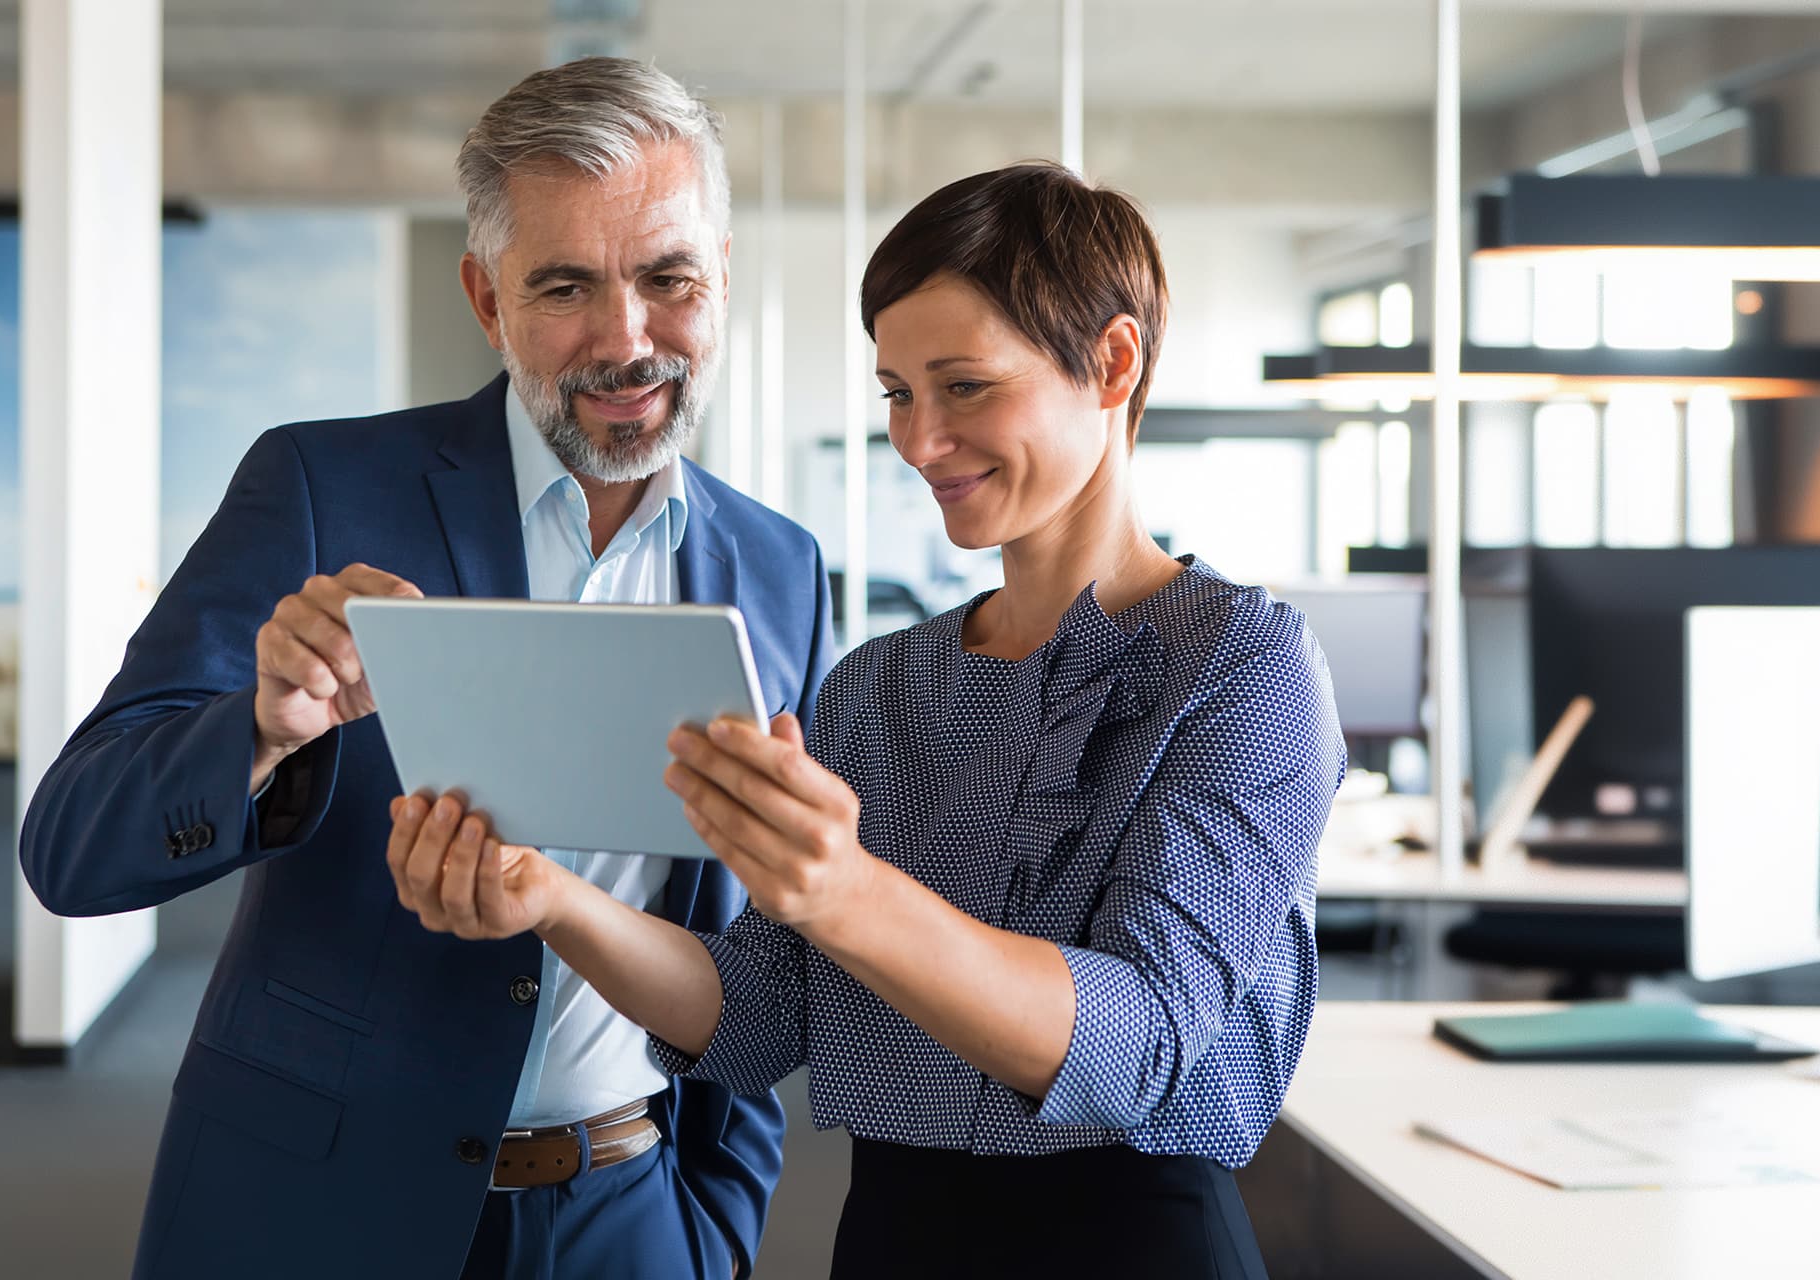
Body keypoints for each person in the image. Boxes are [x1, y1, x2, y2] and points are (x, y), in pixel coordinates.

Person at [389, 162, 1342, 1279]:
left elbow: (1142, 1044)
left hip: (1132, 1242)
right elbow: (758, 1014)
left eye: (965, 387)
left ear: (1114, 362)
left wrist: (845, 891)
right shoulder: (881, 682)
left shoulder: (1240, 664)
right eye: (897, 393)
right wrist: (552, 897)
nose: (919, 440)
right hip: (894, 1236)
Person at [20, 58, 834, 1280]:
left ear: (719, 273)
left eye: (668, 278)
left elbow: (762, 947)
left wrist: (713, 1227)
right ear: (486, 298)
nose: (626, 338)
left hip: (632, 1212)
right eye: (564, 285)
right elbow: (71, 847)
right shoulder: (319, 488)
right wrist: (261, 729)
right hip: (317, 1207)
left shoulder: (779, 567)